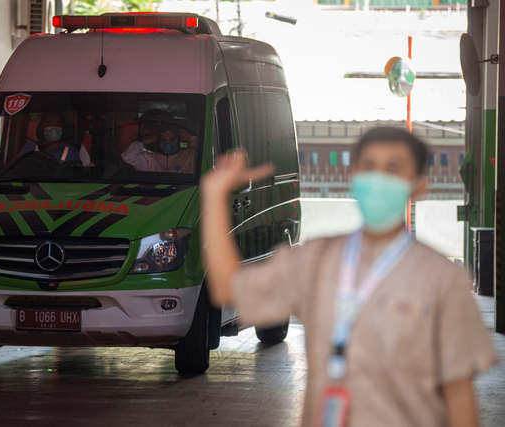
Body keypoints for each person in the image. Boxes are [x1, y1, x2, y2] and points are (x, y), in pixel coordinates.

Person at [201, 127, 497, 427]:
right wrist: (214, 195)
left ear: (419, 186)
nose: (378, 179)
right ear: (351, 177)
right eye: (368, 167)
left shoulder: (442, 278)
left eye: (393, 168)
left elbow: (459, 393)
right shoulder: (314, 259)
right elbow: (229, 289)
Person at [121, 110, 196, 174]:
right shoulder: (150, 159)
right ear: (158, 141)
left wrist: (191, 138)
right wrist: (143, 142)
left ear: (178, 140)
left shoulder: (189, 155)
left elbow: (205, 152)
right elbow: (128, 158)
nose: (167, 143)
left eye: (171, 139)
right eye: (163, 140)